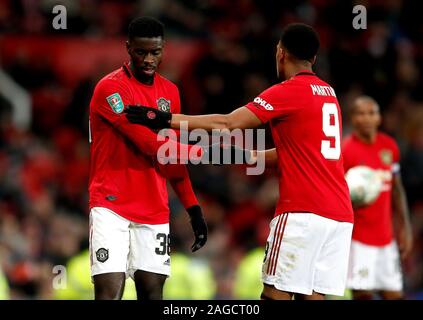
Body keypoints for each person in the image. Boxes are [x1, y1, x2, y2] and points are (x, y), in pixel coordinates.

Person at [125, 23, 354, 300]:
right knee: (313, 297)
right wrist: (250, 156)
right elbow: (304, 155)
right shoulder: (329, 94)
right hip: (339, 216)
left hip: (303, 213)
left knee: (275, 294)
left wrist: (163, 118)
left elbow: (229, 122)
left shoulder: (288, 91)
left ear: (280, 52)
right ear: (314, 59)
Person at [88, 17, 208, 300]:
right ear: (128, 48)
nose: (148, 59)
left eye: (155, 52)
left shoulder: (170, 92)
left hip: (153, 208)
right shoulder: (111, 89)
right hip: (111, 205)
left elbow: (171, 158)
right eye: (141, 52)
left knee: (153, 294)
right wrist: (213, 152)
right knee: (108, 294)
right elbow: (150, 144)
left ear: (163, 48)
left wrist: (193, 209)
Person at [343, 96, 413, 300]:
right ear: (352, 118)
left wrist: (405, 225)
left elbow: (397, 188)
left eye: (371, 113)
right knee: (362, 295)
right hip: (358, 240)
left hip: (386, 239)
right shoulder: (346, 151)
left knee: (395, 295)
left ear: (379, 118)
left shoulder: (389, 146)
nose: (366, 118)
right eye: (360, 113)